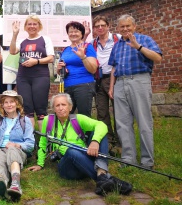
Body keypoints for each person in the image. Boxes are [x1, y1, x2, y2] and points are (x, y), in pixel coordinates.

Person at [28, 93, 132, 196]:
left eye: (63, 105)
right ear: (53, 109)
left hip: (84, 158)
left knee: (100, 133)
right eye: (57, 105)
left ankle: (101, 174)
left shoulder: (78, 119)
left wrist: (95, 141)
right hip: (67, 167)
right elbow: (43, 142)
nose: (60, 108)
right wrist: (39, 164)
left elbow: (102, 125)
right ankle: (106, 179)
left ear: (70, 107)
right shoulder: (48, 120)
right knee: (71, 151)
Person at [108, 14, 162, 169]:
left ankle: (147, 162)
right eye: (122, 26)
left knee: (144, 122)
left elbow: (157, 58)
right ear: (118, 29)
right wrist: (112, 87)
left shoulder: (144, 39)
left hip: (139, 81)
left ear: (134, 26)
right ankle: (128, 158)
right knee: (122, 123)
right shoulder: (117, 45)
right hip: (120, 83)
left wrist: (138, 46)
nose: (125, 29)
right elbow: (113, 68)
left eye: (128, 26)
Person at [0, 90, 35, 201]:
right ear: (2, 105)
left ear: (17, 104)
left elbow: (30, 144)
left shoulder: (25, 121)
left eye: (12, 101)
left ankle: (15, 184)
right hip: (0, 149)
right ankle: (1, 183)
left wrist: (17, 145)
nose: (9, 104)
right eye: (6, 102)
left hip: (17, 150)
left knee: (12, 150)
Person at [9, 16, 55, 129]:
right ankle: (30, 140)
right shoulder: (22, 41)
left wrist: (36, 61)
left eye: (35, 24)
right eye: (29, 24)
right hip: (23, 77)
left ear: (39, 26)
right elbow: (12, 51)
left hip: (40, 76)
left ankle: (44, 140)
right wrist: (15, 34)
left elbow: (51, 58)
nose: (32, 26)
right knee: (27, 108)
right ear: (25, 27)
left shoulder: (45, 39)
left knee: (40, 109)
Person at [84, 16, 121, 146]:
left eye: (102, 25)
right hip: (99, 80)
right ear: (94, 29)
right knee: (102, 113)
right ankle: (108, 142)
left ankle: (121, 142)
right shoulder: (93, 43)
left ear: (108, 26)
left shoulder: (118, 39)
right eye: (97, 26)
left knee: (119, 112)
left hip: (116, 79)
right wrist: (86, 35)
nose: (100, 28)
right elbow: (81, 50)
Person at [57, 21, 97, 117]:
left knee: (84, 116)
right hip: (67, 86)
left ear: (81, 34)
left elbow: (93, 69)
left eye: (76, 31)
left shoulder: (87, 47)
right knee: (64, 116)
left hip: (83, 85)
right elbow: (60, 73)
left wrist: (83, 57)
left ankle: (87, 133)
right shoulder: (66, 50)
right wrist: (59, 69)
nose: (73, 34)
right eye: (70, 31)